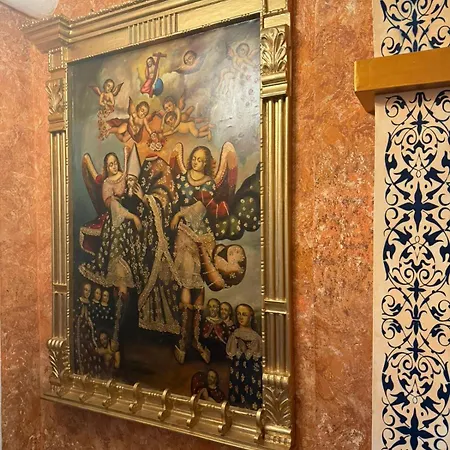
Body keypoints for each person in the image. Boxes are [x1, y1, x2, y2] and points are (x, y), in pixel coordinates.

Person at [170, 146, 217, 364]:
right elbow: (173, 200)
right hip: (184, 235)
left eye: (200, 160)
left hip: (202, 236)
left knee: (199, 285)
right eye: (194, 158)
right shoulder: (181, 179)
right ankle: (183, 341)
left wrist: (180, 213)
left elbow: (200, 207)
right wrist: (175, 214)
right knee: (186, 284)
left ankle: (196, 340)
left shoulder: (209, 183)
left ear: (206, 163)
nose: (196, 162)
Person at [226, 303, 262, 411]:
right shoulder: (234, 335)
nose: (241, 317)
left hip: (251, 373)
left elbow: (257, 356)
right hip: (237, 371)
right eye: (239, 314)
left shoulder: (256, 337)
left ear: (250, 317)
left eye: (244, 314)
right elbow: (231, 353)